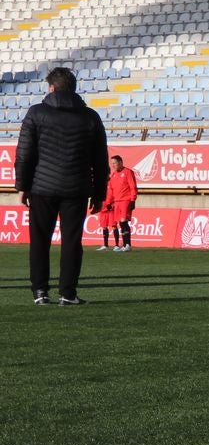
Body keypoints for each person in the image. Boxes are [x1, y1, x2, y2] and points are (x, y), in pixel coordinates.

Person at [15, 66, 108, 305]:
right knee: (72, 242)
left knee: (39, 241)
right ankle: (68, 293)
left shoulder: (36, 113)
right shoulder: (91, 117)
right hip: (76, 189)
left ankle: (40, 292)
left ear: (52, 88)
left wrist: (22, 186)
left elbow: (24, 154)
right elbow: (100, 160)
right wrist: (99, 194)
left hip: (42, 187)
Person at [104, 154, 138, 252]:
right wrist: (109, 202)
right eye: (112, 163)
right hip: (116, 202)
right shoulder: (114, 175)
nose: (113, 165)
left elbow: (133, 187)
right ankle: (125, 245)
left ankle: (127, 245)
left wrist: (133, 200)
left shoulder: (128, 172)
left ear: (120, 162)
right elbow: (111, 190)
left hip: (126, 200)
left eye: (114, 163)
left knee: (123, 222)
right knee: (120, 223)